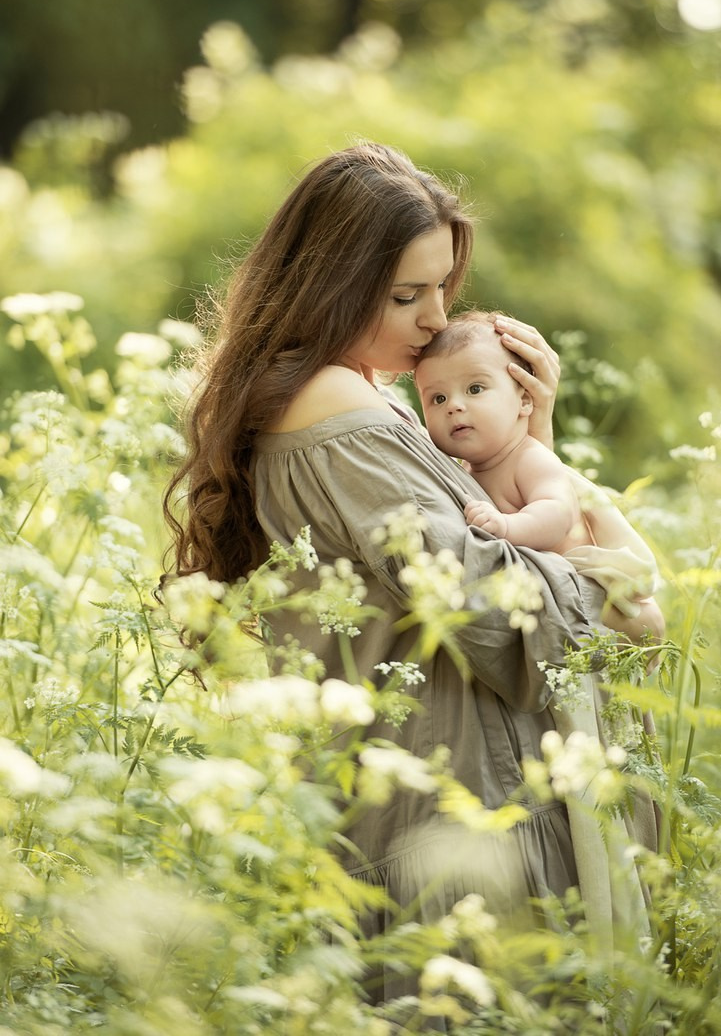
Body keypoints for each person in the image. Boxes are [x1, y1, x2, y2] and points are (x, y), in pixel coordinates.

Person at [163, 142, 645, 1005]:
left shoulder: (331, 398)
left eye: (442, 291)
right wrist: (619, 600)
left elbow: (491, 548)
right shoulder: (344, 412)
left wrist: (529, 437)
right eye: (404, 295)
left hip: (422, 801)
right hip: (456, 812)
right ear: (331, 282)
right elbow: (489, 606)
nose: (432, 321)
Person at [414, 309, 663, 643]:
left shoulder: (529, 458)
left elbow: (557, 513)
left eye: (475, 388)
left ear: (525, 401)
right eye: (438, 398)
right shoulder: (464, 471)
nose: (454, 406)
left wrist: (506, 527)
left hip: (595, 608)